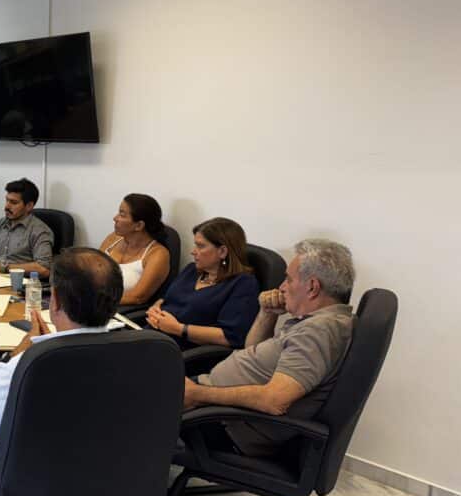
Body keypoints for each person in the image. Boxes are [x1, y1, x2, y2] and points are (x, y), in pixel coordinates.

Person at [183, 239, 356, 456]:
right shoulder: (320, 322)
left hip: (225, 424)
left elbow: (274, 401)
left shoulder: (318, 332)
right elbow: (251, 350)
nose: (282, 287)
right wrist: (267, 314)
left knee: (143, 398)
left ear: (312, 287)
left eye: (288, 279)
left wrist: (198, 394)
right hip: (215, 408)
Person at [0, 247, 123, 456]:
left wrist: (14, 355)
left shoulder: (28, 363)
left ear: (56, 300)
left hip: (32, 473)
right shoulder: (139, 357)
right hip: (107, 467)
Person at [146, 217, 259, 348]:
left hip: (179, 348)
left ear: (222, 251)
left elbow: (230, 336)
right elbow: (167, 299)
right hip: (152, 336)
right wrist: (156, 309)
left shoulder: (242, 284)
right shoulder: (191, 270)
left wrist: (179, 328)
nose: (193, 251)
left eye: (200, 246)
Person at [99, 193, 171, 306]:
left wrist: (96, 300)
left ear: (139, 225)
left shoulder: (158, 254)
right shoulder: (113, 238)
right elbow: (91, 270)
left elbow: (137, 297)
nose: (115, 218)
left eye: (122, 215)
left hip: (116, 308)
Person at [0, 178, 53, 278]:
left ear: (29, 206)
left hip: (16, 281)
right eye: (7, 200)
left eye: (13, 202)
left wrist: (4, 268)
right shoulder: (0, 224)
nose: (7, 206)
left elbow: (44, 268)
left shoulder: (39, 231)